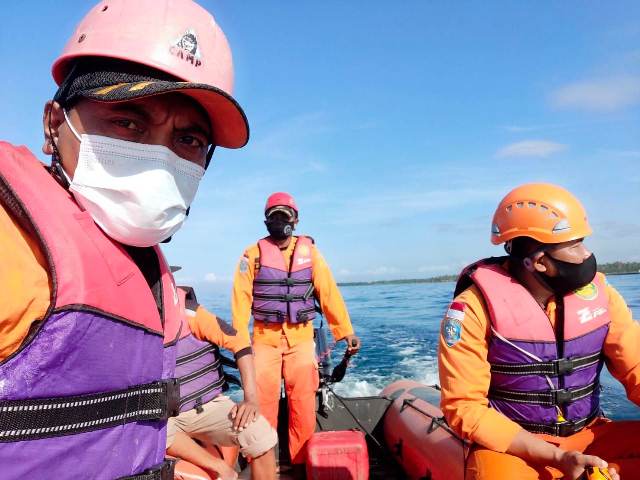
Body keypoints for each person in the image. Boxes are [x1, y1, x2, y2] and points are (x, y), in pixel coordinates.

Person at [0, 1, 251, 478]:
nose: (159, 157)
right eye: (128, 123)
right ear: (55, 124)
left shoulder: (149, 272)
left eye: (189, 141)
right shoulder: (12, 235)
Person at [438, 183, 640, 480]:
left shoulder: (603, 296)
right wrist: (558, 457)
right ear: (540, 261)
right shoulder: (471, 309)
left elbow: (635, 367)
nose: (587, 254)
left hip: (590, 434)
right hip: (514, 448)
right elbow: (464, 407)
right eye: (575, 245)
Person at [231, 192, 361, 471]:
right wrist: (239, 340)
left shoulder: (311, 254)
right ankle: (259, 459)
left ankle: (302, 459)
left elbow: (329, 293)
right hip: (264, 337)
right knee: (261, 395)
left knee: (302, 398)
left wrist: (344, 331)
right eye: (273, 216)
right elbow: (240, 300)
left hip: (301, 337)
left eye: (284, 216)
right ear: (265, 221)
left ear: (296, 220)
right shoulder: (251, 255)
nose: (279, 221)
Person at [168, 284, 277, 480]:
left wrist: (251, 398)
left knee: (259, 434)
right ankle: (218, 466)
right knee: (152, 430)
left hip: (206, 407)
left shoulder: (190, 314)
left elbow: (240, 344)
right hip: (162, 418)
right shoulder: (126, 322)